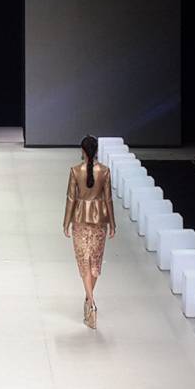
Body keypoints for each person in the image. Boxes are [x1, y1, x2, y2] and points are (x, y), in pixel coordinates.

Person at [63, 135, 115, 329]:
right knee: (95, 261)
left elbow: (71, 198)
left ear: (83, 151)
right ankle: (89, 302)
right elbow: (108, 199)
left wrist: (66, 222)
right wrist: (113, 224)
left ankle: (91, 303)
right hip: (99, 220)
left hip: (80, 219)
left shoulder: (75, 171)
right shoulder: (105, 171)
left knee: (84, 261)